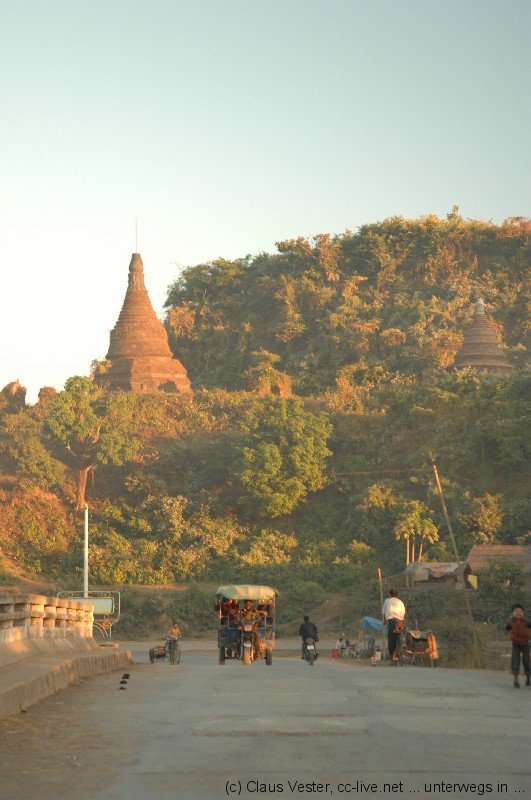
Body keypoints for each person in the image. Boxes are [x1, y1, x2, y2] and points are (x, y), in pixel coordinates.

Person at [505, 603, 531, 688]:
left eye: (520, 611)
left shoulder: (527, 622)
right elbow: (508, 631)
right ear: (513, 613)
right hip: (515, 643)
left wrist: (528, 636)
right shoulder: (510, 623)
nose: (518, 613)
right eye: (516, 611)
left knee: (527, 660)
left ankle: (528, 677)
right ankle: (516, 679)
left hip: (525, 643)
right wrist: (512, 637)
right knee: (515, 661)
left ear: (522, 612)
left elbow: (530, 631)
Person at [382, 588, 406, 663]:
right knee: (403, 633)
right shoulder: (400, 602)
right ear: (397, 595)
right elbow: (403, 613)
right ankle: (404, 644)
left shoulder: (387, 601)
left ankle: (392, 657)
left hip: (392, 622)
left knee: (391, 639)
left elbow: (384, 612)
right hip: (400, 622)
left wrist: (385, 621)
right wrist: (403, 621)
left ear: (390, 594)